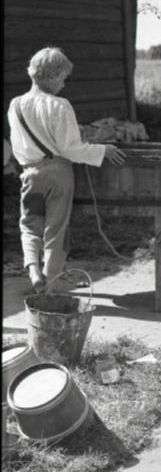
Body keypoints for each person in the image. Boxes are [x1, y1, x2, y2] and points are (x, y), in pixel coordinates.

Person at [7, 47, 126, 293]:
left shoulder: (15, 105)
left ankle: (32, 271)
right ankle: (49, 283)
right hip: (59, 173)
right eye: (62, 78)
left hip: (29, 172)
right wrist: (102, 150)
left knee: (29, 225)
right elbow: (70, 148)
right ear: (52, 76)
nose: (63, 84)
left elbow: (18, 145)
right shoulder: (60, 105)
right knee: (56, 228)